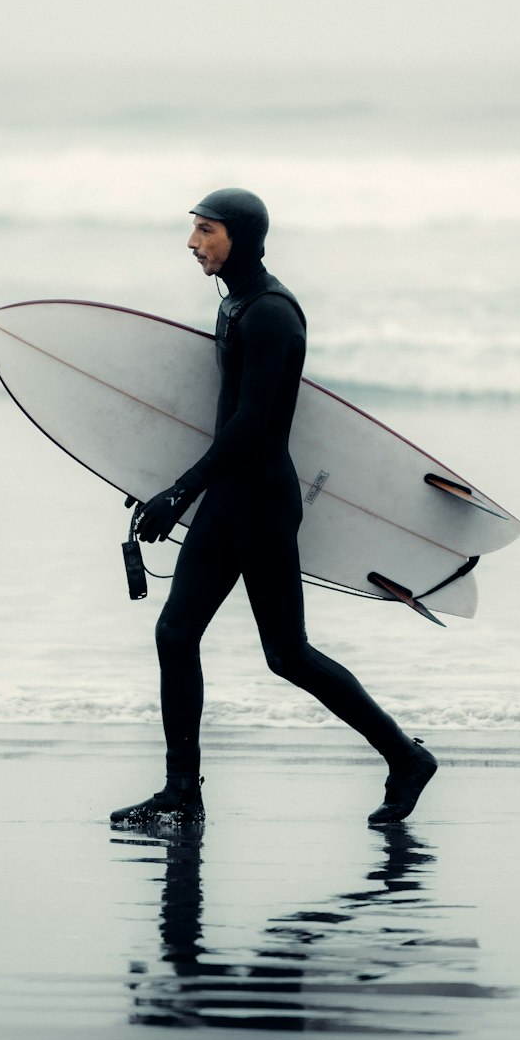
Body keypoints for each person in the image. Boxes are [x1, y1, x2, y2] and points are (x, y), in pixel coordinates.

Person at [110, 189, 436, 828]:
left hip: (259, 503)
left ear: (242, 237)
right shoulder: (234, 305)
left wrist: (180, 492)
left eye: (205, 231)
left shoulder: (272, 316)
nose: (192, 242)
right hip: (229, 496)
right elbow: (224, 415)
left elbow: (255, 425)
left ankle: (405, 757)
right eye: (194, 230)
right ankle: (183, 792)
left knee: (287, 654)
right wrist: (163, 479)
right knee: (175, 634)